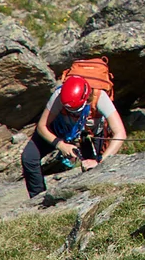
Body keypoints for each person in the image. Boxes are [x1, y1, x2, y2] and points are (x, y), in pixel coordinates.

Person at [22, 72, 127, 202]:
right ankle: (38, 199)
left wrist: (100, 161)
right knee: (29, 157)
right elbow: (42, 126)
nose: (73, 112)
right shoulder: (59, 96)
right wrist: (61, 145)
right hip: (60, 129)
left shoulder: (100, 97)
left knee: (91, 168)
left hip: (89, 134)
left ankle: (90, 199)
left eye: (76, 109)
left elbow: (120, 133)